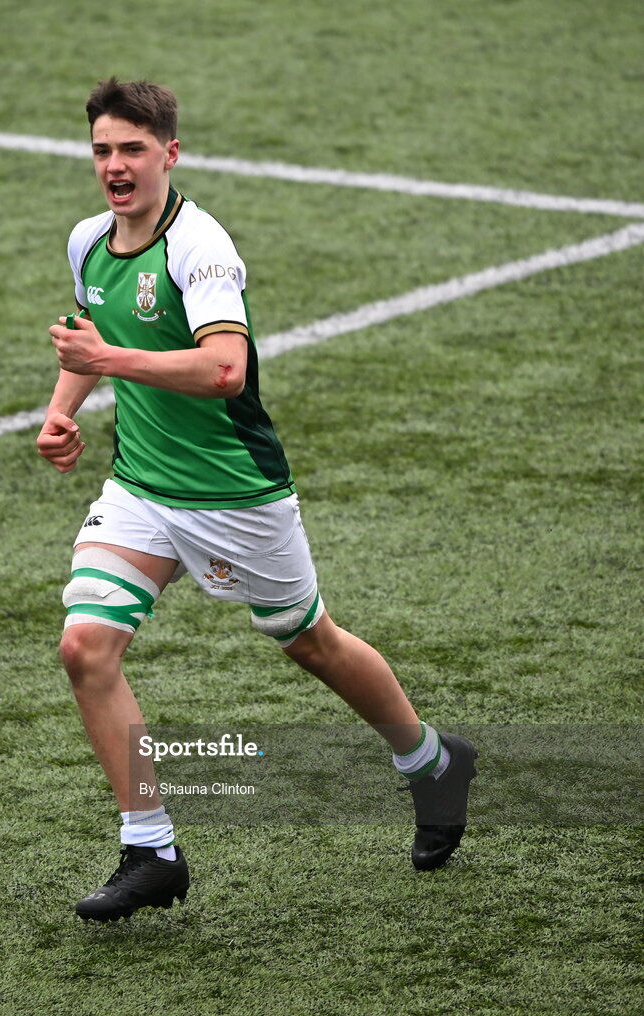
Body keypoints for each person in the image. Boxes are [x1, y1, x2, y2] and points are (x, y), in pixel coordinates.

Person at [37, 77, 477, 923]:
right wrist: (61, 414)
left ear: (170, 153)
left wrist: (109, 363)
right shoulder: (89, 241)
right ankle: (151, 849)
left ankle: (429, 761)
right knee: (84, 647)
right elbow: (87, 336)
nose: (115, 166)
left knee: (310, 642)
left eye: (132, 149)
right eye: (101, 150)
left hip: (235, 494)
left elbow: (223, 369)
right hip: (141, 489)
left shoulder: (199, 247)